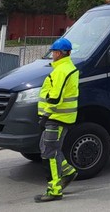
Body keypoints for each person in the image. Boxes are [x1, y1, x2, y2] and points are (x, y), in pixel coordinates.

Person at [35, 37, 79, 203]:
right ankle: (68, 172)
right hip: (59, 117)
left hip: (56, 117)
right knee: (46, 147)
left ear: (60, 53)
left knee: (49, 153)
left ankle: (54, 190)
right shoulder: (64, 67)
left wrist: (45, 116)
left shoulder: (61, 71)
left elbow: (55, 98)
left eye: (53, 51)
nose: (52, 54)